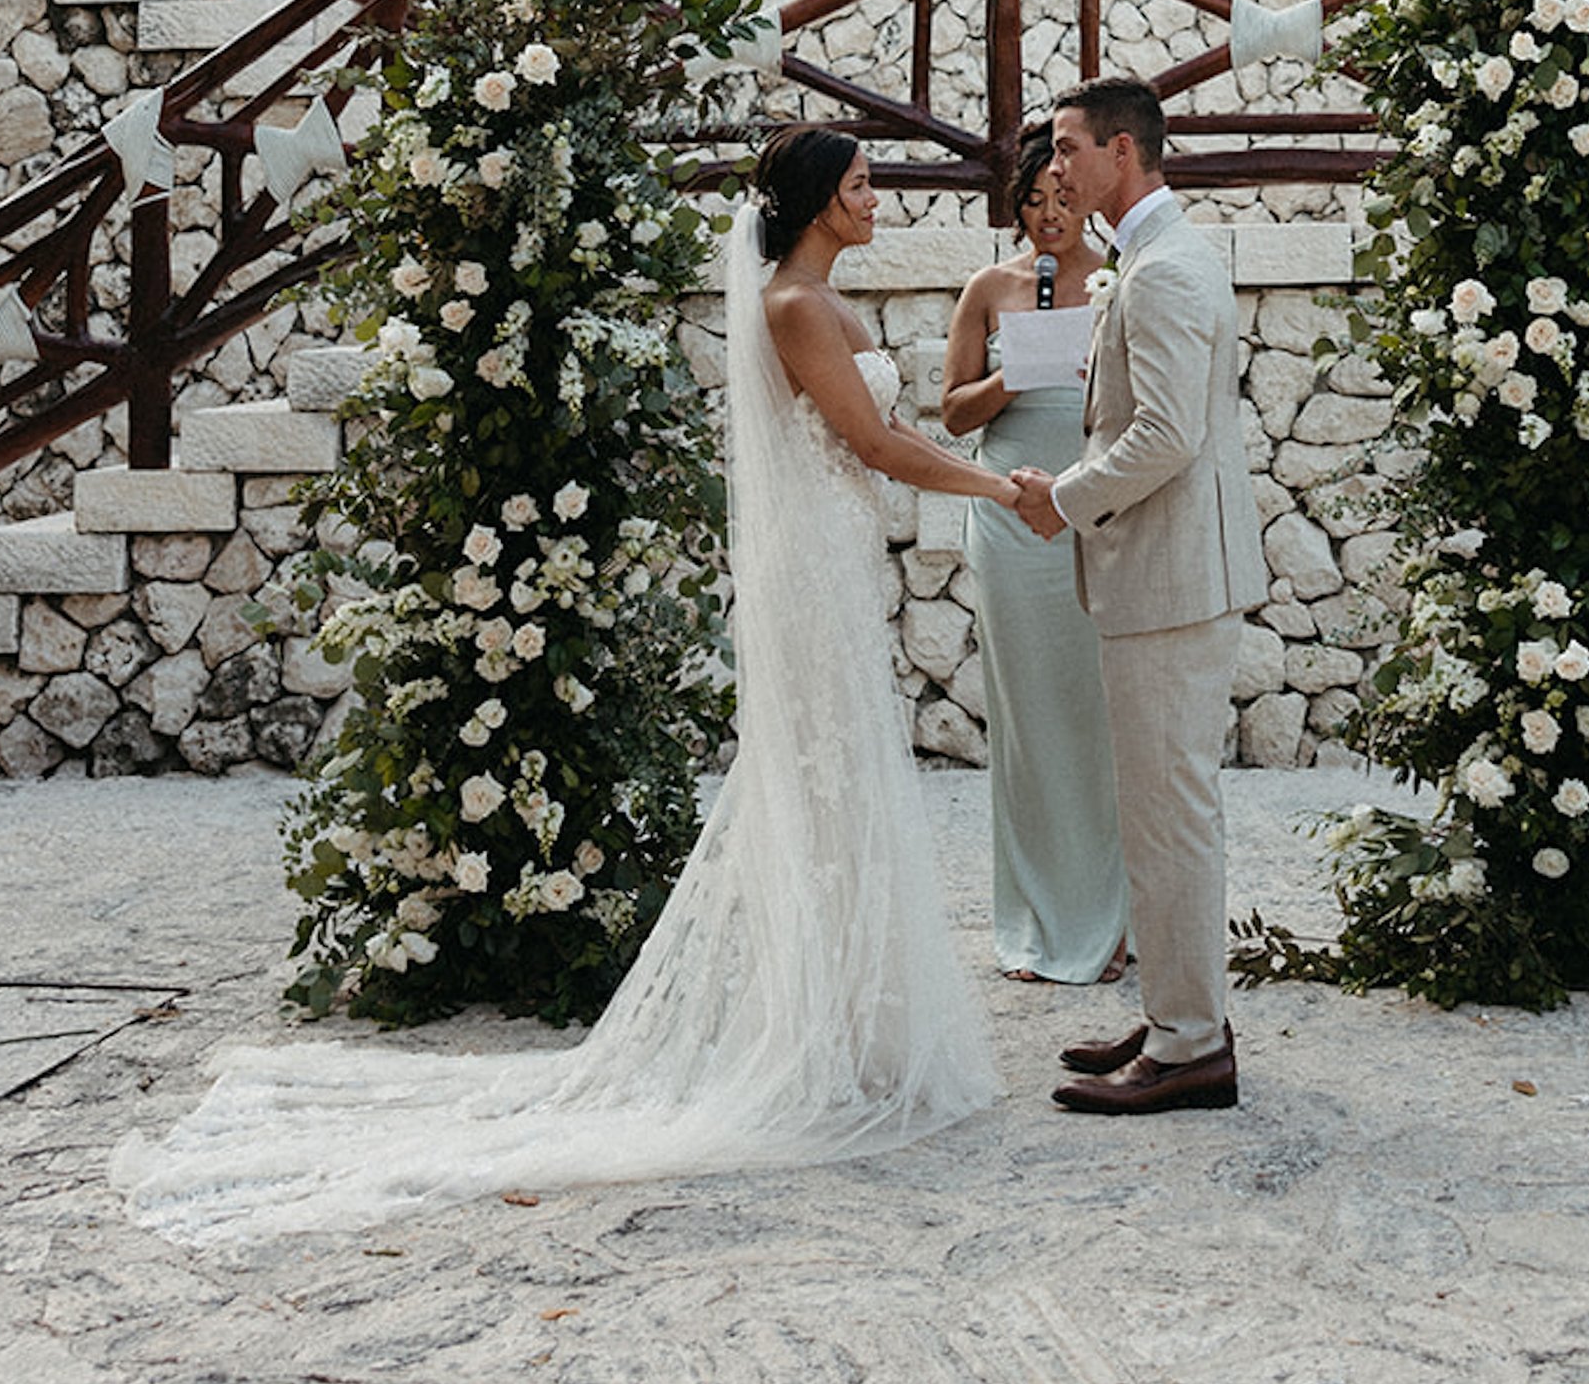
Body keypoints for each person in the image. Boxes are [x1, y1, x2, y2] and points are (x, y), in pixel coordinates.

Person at [114, 126, 1027, 1239]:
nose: (877, 195)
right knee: (821, 778)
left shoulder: (825, 298)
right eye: (858, 184)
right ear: (813, 204)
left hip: (838, 552)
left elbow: (874, 437)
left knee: (842, 782)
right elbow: (876, 444)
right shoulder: (793, 306)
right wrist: (999, 486)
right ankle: (818, 1033)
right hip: (816, 569)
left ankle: (849, 1019)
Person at [1012, 78, 1268, 1118]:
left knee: (1170, 815)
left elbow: (1164, 435)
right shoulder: (1154, 258)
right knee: (1160, 810)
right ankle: (1176, 1010)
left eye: (1069, 146)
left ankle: (1190, 1043)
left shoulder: (1160, 270)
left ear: (1125, 151)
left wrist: (1064, 500)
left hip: (1169, 575)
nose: (1055, 167)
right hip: (1169, 570)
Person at [941, 129, 1131, 984]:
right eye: (1035, 202)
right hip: (1012, 521)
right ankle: (1030, 920)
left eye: (1064, 199)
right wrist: (1015, 372)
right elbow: (952, 414)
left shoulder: (1120, 279)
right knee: (1027, 724)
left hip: (1093, 512)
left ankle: (1112, 918)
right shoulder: (989, 288)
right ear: (1015, 204)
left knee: (1100, 718)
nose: (1051, 217)